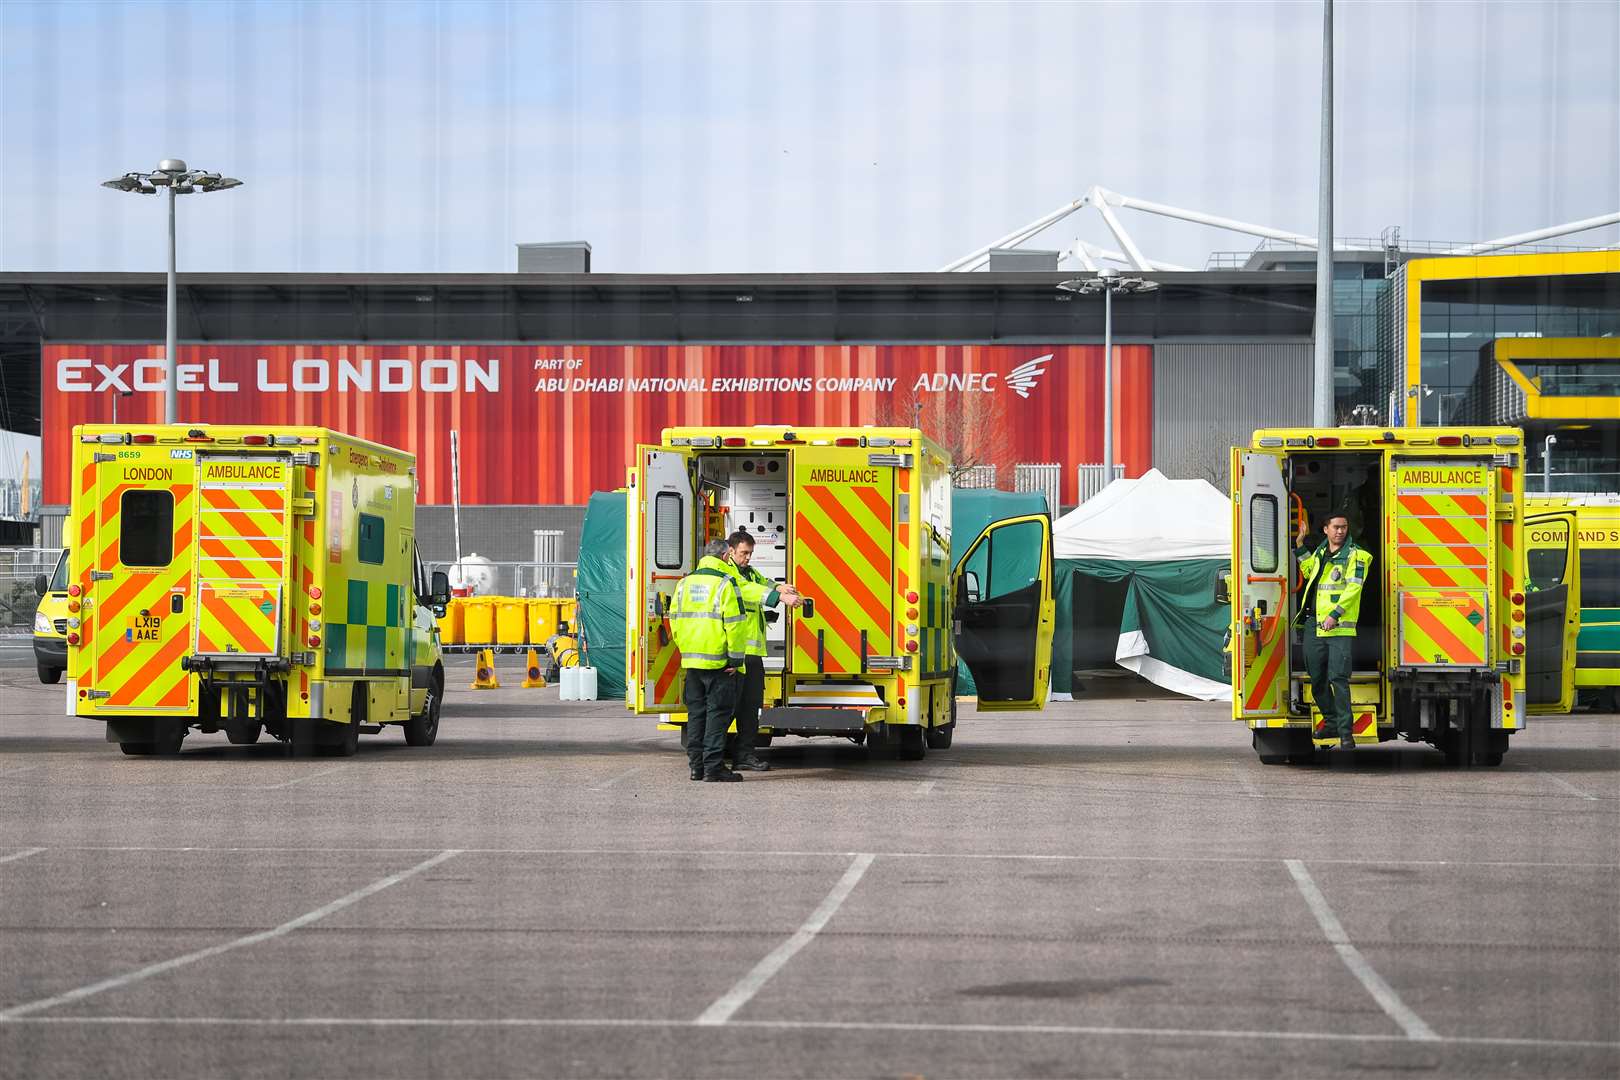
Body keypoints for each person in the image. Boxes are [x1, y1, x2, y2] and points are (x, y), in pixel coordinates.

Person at [668, 539, 752, 782]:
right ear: (726, 557)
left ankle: (696, 767)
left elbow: (674, 619)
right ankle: (713, 768)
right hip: (719, 665)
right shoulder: (726, 584)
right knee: (718, 715)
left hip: (692, 663)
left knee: (696, 715)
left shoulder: (683, 584)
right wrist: (735, 661)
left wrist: (686, 648)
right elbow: (736, 626)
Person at [723, 530, 802, 772]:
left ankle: (744, 755)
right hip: (735, 654)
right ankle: (714, 755)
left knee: (750, 709)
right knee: (727, 708)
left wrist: (781, 587)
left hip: (751, 653)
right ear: (731, 552)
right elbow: (748, 590)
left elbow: (761, 582)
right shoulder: (728, 573)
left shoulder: (748, 571)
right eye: (744, 553)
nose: (747, 558)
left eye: (750, 553)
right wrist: (778, 598)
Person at [1295, 510, 1373, 751]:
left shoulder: (1357, 556)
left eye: (1344, 527)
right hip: (1313, 625)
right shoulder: (1320, 552)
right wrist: (1299, 547)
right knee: (1316, 678)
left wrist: (1334, 615)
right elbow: (1310, 572)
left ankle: (1345, 732)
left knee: (1337, 679)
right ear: (1325, 529)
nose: (1341, 531)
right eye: (1336, 527)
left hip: (1338, 628)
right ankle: (1330, 721)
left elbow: (1354, 589)